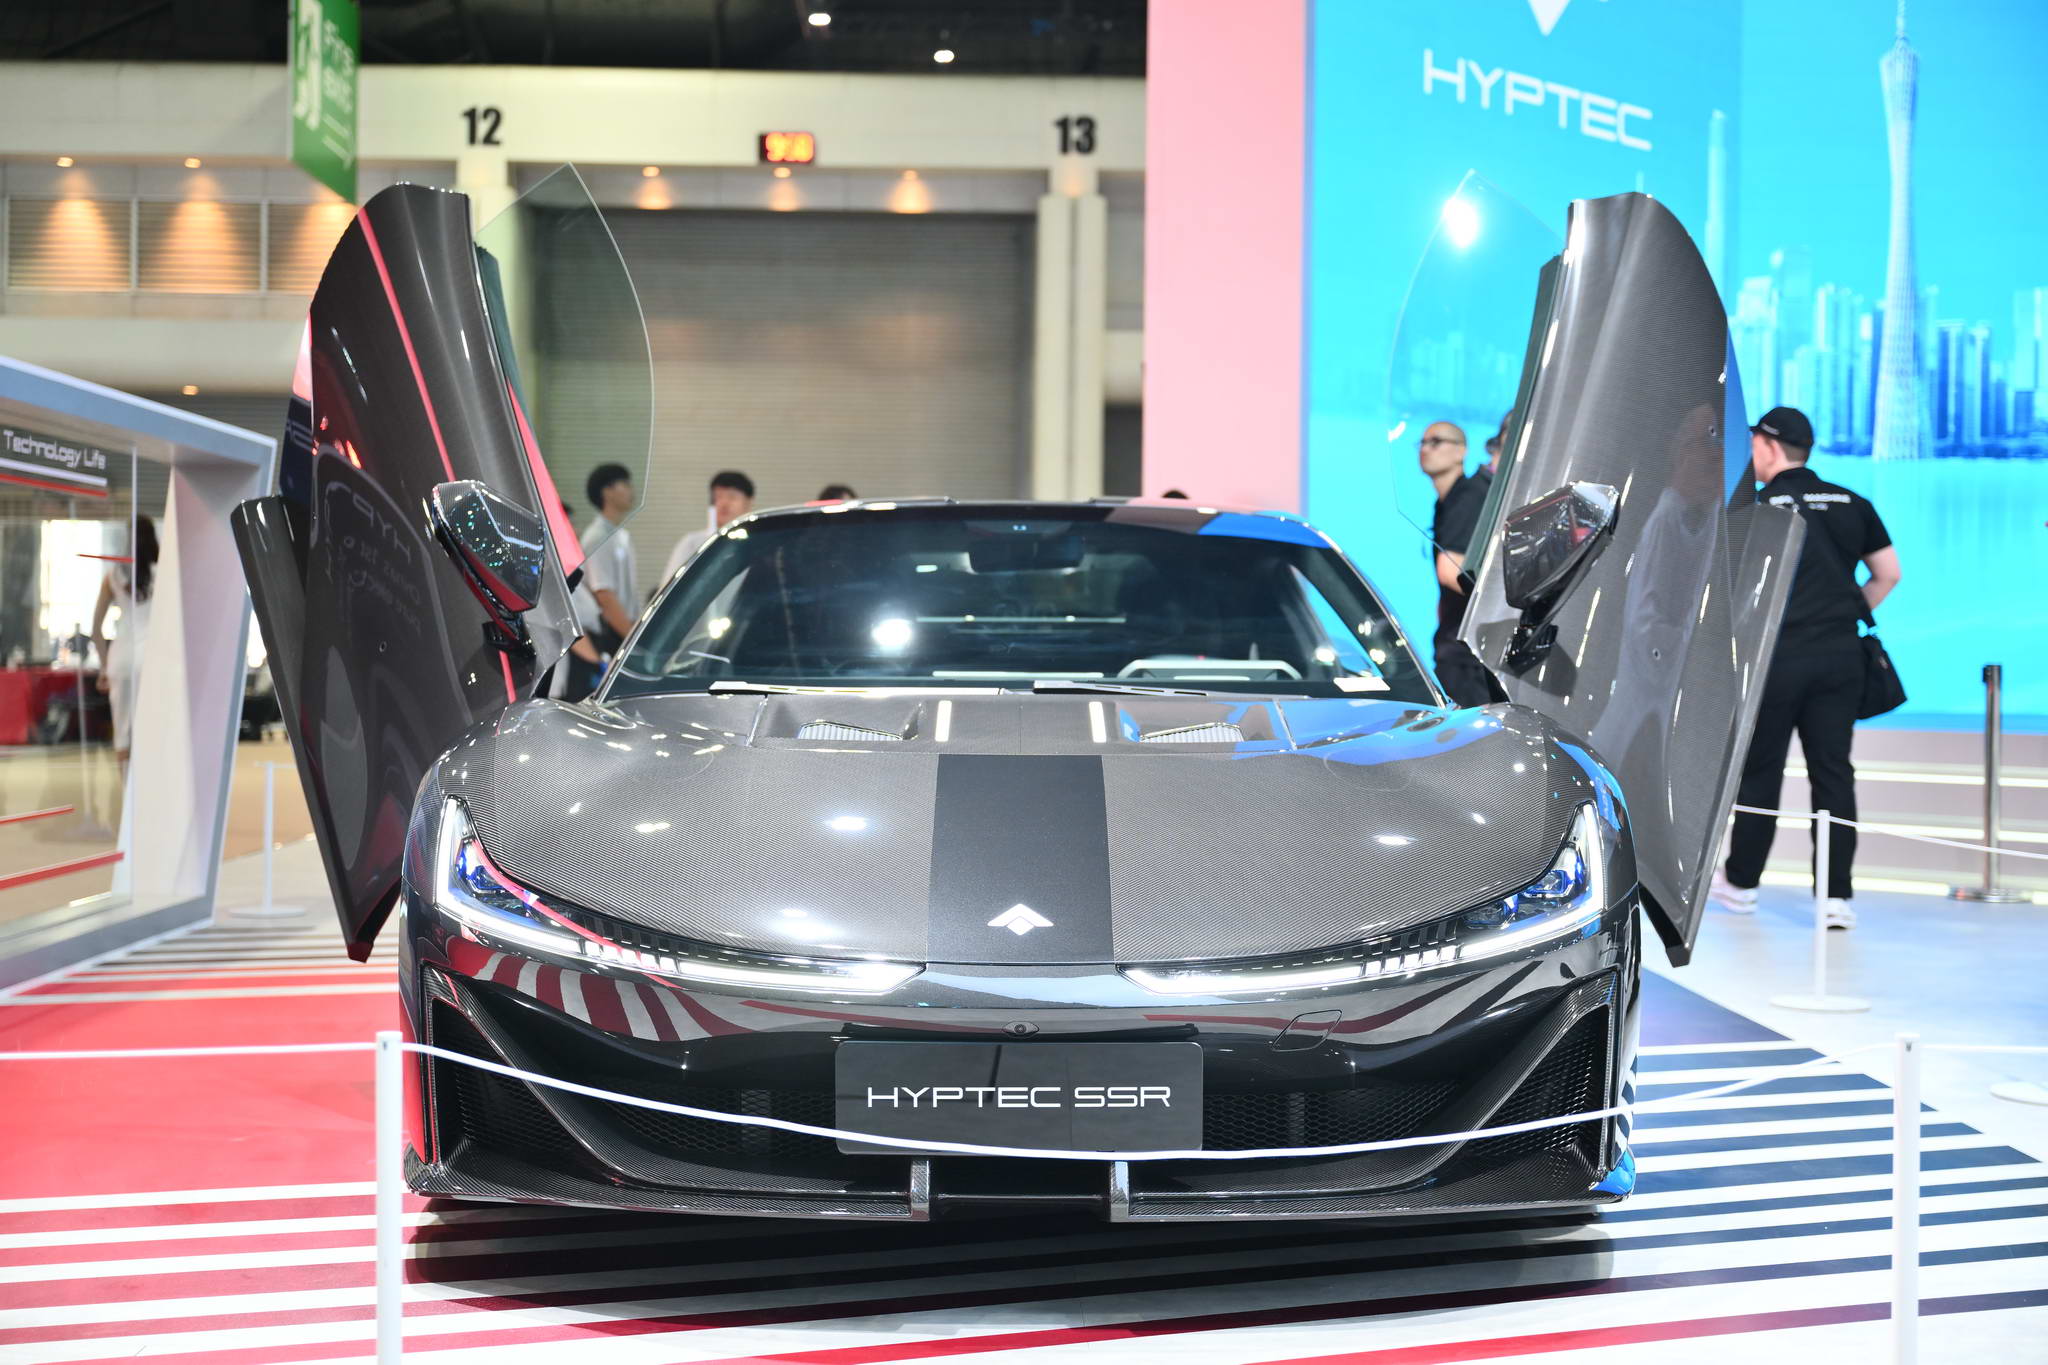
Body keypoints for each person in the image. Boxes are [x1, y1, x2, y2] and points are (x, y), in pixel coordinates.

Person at [1712, 406, 1902, 929]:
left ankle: (1742, 885)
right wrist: (1847, 612)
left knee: (1761, 770)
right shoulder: (1852, 501)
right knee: (1833, 772)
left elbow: (1729, 585)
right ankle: (1836, 898)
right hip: (1840, 656)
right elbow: (1888, 573)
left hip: (1775, 656)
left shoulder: (1755, 507)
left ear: (1769, 446)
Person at [1417, 420, 1494, 707]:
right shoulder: (1447, 502)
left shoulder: (1468, 496)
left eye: (1436, 442)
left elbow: (1451, 572)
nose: (1426, 449)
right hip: (1458, 646)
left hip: (1466, 654)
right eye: (1422, 443)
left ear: (1461, 450)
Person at [563, 465, 639, 700]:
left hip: (621, 630)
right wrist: (632, 640)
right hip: (610, 635)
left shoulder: (619, 535)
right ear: (607, 491)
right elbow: (604, 594)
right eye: (624, 484)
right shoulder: (598, 537)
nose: (631, 490)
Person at [90, 514, 157, 769]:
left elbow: (96, 629)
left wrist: (104, 666)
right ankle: (148, 785)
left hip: (122, 654)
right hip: (152, 654)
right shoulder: (164, 573)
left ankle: (127, 789)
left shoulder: (113, 576)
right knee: (151, 727)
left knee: (122, 731)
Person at [662, 470, 756, 581]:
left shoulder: (760, 541)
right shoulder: (692, 543)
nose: (724, 503)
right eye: (718, 497)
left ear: (749, 502)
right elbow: (669, 583)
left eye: (732, 497)